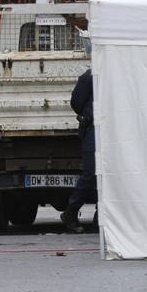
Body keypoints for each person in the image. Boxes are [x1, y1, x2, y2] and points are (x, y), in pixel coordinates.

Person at [61, 69, 97, 233]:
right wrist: (88, 115)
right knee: (91, 172)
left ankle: (100, 214)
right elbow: (76, 103)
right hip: (93, 128)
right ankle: (71, 211)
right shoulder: (90, 76)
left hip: (102, 128)